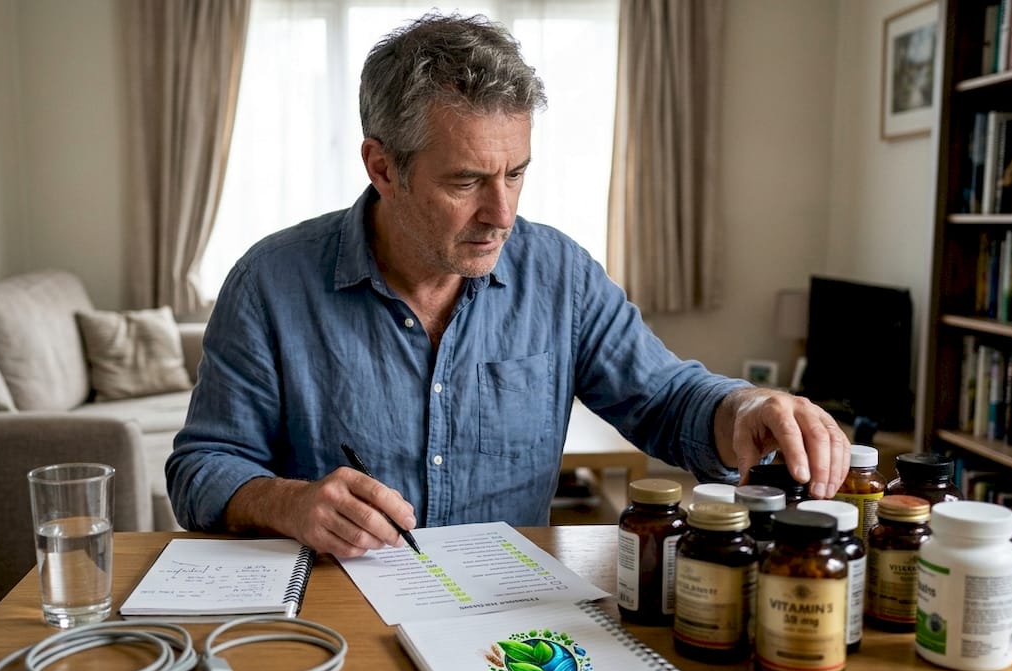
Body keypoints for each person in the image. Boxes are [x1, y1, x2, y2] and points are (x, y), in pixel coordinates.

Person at [167, 12, 850, 557]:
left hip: (506, 620)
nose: (501, 214)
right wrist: (288, 502)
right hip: (336, 610)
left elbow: (668, 399)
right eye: (466, 181)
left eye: (516, 174)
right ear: (382, 167)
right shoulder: (269, 283)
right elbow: (202, 466)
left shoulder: (560, 274)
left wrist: (746, 407)